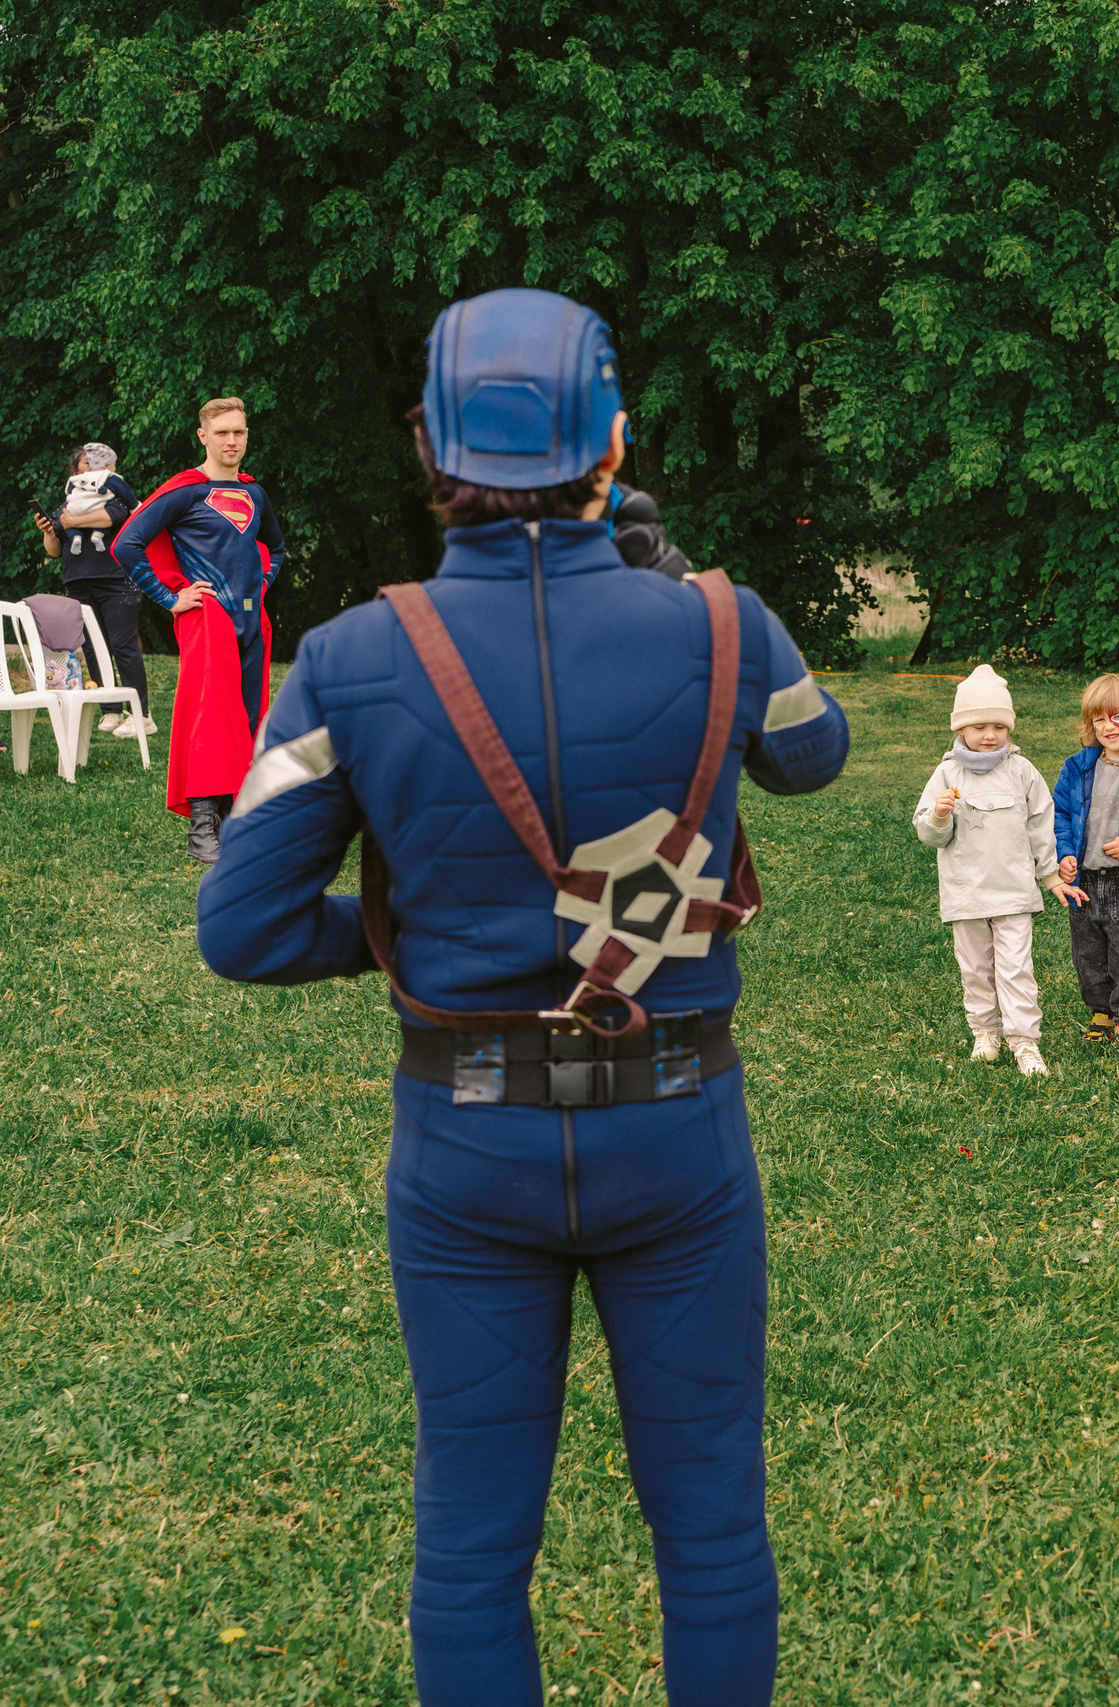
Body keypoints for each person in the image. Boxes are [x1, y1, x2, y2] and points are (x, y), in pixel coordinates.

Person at [193, 286, 850, 1707]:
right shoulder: (729, 626)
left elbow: (240, 927)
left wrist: (407, 939)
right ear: (614, 440)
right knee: (714, 1536)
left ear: (427, 443)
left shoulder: (348, 658)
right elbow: (817, 755)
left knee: (473, 1548)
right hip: (677, 1124)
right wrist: (685, 585)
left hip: (468, 1137)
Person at [109, 398, 286, 862]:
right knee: (212, 718)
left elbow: (277, 549)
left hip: (251, 622)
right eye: (222, 432)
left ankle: (236, 820)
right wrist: (170, 598)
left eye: (240, 432)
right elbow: (126, 544)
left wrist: (261, 586)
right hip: (209, 621)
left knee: (248, 718)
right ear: (202, 436)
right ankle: (202, 828)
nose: (232, 441)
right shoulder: (186, 491)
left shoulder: (255, 494)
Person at [912, 664, 1073, 1075]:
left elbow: (1042, 825)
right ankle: (985, 1032)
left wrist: (1050, 876)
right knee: (976, 969)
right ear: (961, 730)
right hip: (966, 895)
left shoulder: (1022, 771)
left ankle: (1025, 1042)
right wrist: (939, 816)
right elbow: (929, 835)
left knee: (1017, 969)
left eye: (998, 726)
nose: (989, 735)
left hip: (1014, 893)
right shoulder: (947, 773)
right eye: (979, 726)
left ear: (1009, 728)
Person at [1053, 673, 1119, 1049]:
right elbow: (1061, 816)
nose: (1107, 726)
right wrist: (1065, 855)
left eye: (1117, 716)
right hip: (1084, 880)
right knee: (1087, 952)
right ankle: (1100, 1010)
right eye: (1098, 719)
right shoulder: (1077, 767)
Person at [32, 444, 151, 735]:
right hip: (79, 583)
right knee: (93, 649)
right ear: (75, 472)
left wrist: (71, 521)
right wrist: (50, 531)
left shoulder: (113, 494)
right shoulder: (68, 503)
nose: (94, 466)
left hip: (117, 581)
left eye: (98, 462)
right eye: (87, 462)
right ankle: (110, 710)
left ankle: (142, 714)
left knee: (123, 647)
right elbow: (54, 552)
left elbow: (111, 519)